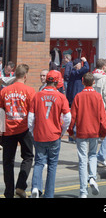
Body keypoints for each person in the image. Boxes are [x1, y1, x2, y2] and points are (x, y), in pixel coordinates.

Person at [28, 70, 71, 198]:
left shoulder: (37, 95)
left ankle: (35, 187)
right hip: (54, 134)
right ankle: (49, 194)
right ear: (57, 82)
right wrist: (63, 131)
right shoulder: (61, 96)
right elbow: (68, 117)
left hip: (40, 134)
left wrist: (32, 131)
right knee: (52, 165)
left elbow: (31, 118)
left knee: (39, 162)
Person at [68, 72, 106, 198]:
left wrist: (70, 131)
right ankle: (92, 177)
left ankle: (83, 192)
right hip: (94, 131)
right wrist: (104, 132)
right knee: (92, 155)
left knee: (82, 161)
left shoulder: (78, 96)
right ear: (94, 82)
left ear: (82, 81)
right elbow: (103, 116)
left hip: (81, 132)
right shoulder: (97, 97)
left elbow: (73, 116)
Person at [0, 63, 35, 198]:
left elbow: (1, 111)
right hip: (24, 128)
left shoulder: (4, 91)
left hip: (8, 129)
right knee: (28, 156)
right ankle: (20, 186)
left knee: (8, 161)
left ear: (15, 75)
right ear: (25, 76)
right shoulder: (30, 91)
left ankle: (9, 192)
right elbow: (32, 112)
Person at [92, 58, 106, 167]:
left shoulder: (90, 77)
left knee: (95, 134)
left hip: (92, 110)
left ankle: (92, 156)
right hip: (104, 110)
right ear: (104, 67)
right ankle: (100, 156)